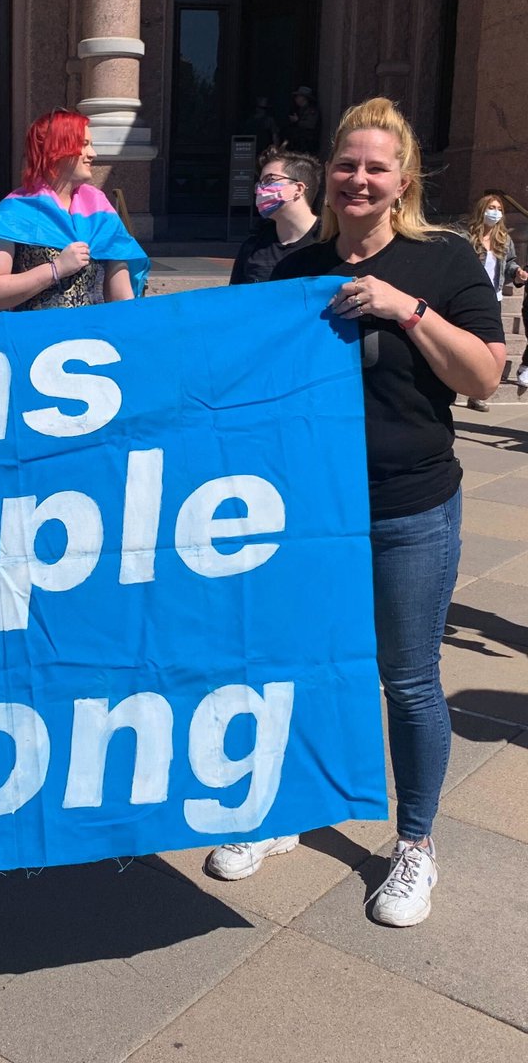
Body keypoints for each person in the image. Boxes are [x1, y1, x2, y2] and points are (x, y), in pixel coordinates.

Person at [206, 97, 505, 929]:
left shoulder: (441, 260)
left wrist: (402, 309)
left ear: (402, 178)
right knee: (291, 665)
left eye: (376, 167)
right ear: (326, 177)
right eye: (347, 165)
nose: (360, 179)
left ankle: (415, 843)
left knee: (407, 680)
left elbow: (483, 378)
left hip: (410, 506)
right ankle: (281, 813)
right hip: (303, 512)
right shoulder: (296, 267)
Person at [0, 107, 149, 312]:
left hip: (91, 339)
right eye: (84, 145)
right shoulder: (11, 214)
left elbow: (121, 297)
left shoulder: (101, 212)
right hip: (36, 340)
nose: (93, 154)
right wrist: (56, 268)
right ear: (58, 150)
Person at [463, 192, 524, 411]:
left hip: (493, 299)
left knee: (490, 348)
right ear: (482, 210)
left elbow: (510, 264)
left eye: (499, 209)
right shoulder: (466, 237)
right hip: (468, 298)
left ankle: (477, 394)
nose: (495, 212)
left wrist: (517, 273)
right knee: (464, 345)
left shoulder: (504, 239)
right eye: (492, 208)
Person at [229, 146, 322, 285]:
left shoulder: (330, 240)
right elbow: (236, 297)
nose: (260, 190)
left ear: (298, 189)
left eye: (269, 180)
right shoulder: (254, 246)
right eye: (259, 184)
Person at [286, 85, 321, 154]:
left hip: (307, 145)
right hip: (298, 145)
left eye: (298, 96)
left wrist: (297, 121)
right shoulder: (299, 110)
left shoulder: (311, 110)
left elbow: (310, 124)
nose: (296, 99)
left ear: (304, 98)